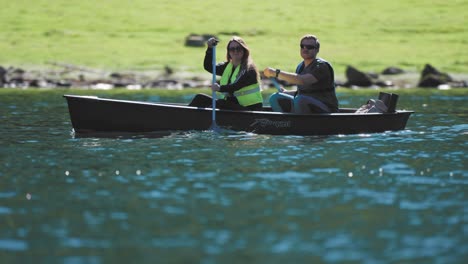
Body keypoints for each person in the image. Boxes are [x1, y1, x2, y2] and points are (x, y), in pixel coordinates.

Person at [263, 34, 339, 114]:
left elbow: (302, 80)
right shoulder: (300, 66)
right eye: (302, 46)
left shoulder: (321, 66)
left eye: (309, 47)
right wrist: (287, 92)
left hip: (327, 110)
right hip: (307, 103)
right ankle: (285, 124)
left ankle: (299, 125)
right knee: (275, 97)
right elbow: (303, 91)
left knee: (300, 100)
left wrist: (276, 73)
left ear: (317, 50)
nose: (305, 49)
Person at [188, 36, 263, 111]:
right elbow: (209, 67)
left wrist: (219, 88)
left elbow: (236, 86)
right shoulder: (227, 66)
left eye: (238, 48)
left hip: (250, 109)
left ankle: (202, 119)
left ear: (244, 50)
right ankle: (185, 115)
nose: (235, 51)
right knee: (200, 98)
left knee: (219, 103)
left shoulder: (249, 69)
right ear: (229, 52)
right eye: (232, 49)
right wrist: (210, 49)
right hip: (232, 105)